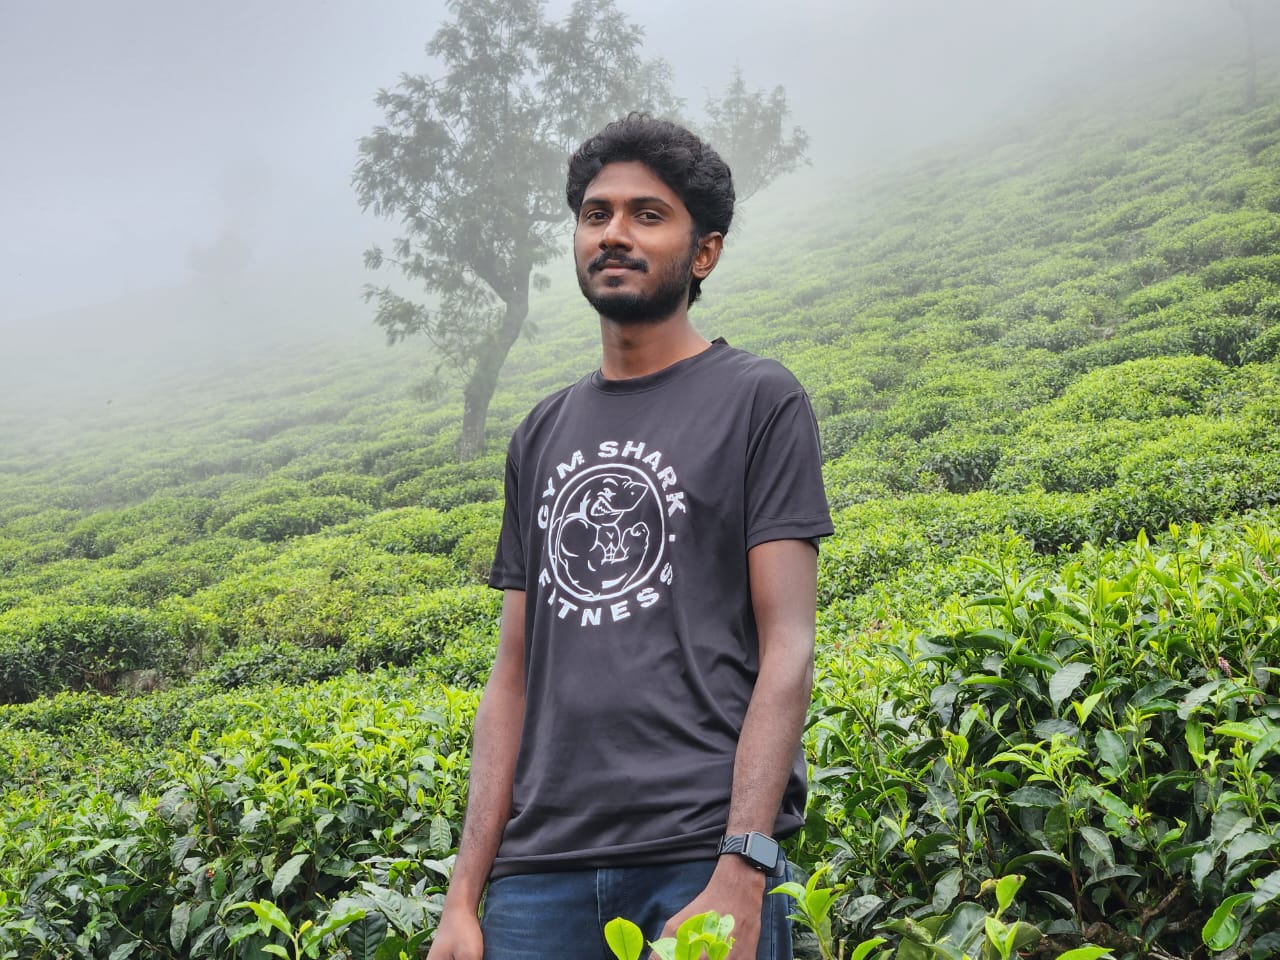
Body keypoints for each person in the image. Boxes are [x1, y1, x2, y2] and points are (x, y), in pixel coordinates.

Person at [426, 115, 833, 960]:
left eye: (648, 215)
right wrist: (463, 897)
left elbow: (788, 647)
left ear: (704, 252)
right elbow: (511, 675)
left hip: (697, 856)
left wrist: (743, 866)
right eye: (596, 213)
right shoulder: (540, 434)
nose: (614, 233)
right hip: (537, 877)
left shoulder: (760, 400)